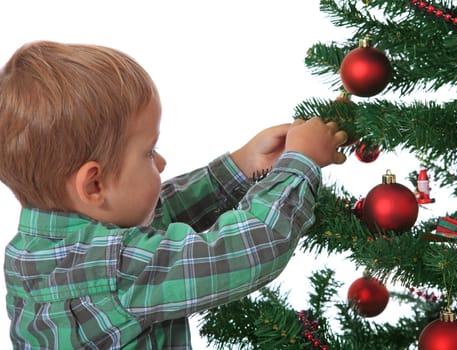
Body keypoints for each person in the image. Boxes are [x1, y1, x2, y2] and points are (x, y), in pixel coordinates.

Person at [0, 41, 348, 349]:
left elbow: (153, 221)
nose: (162, 162)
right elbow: (247, 249)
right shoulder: (116, 271)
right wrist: (299, 164)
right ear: (93, 185)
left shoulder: (33, 251)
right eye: (149, 152)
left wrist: (239, 168)